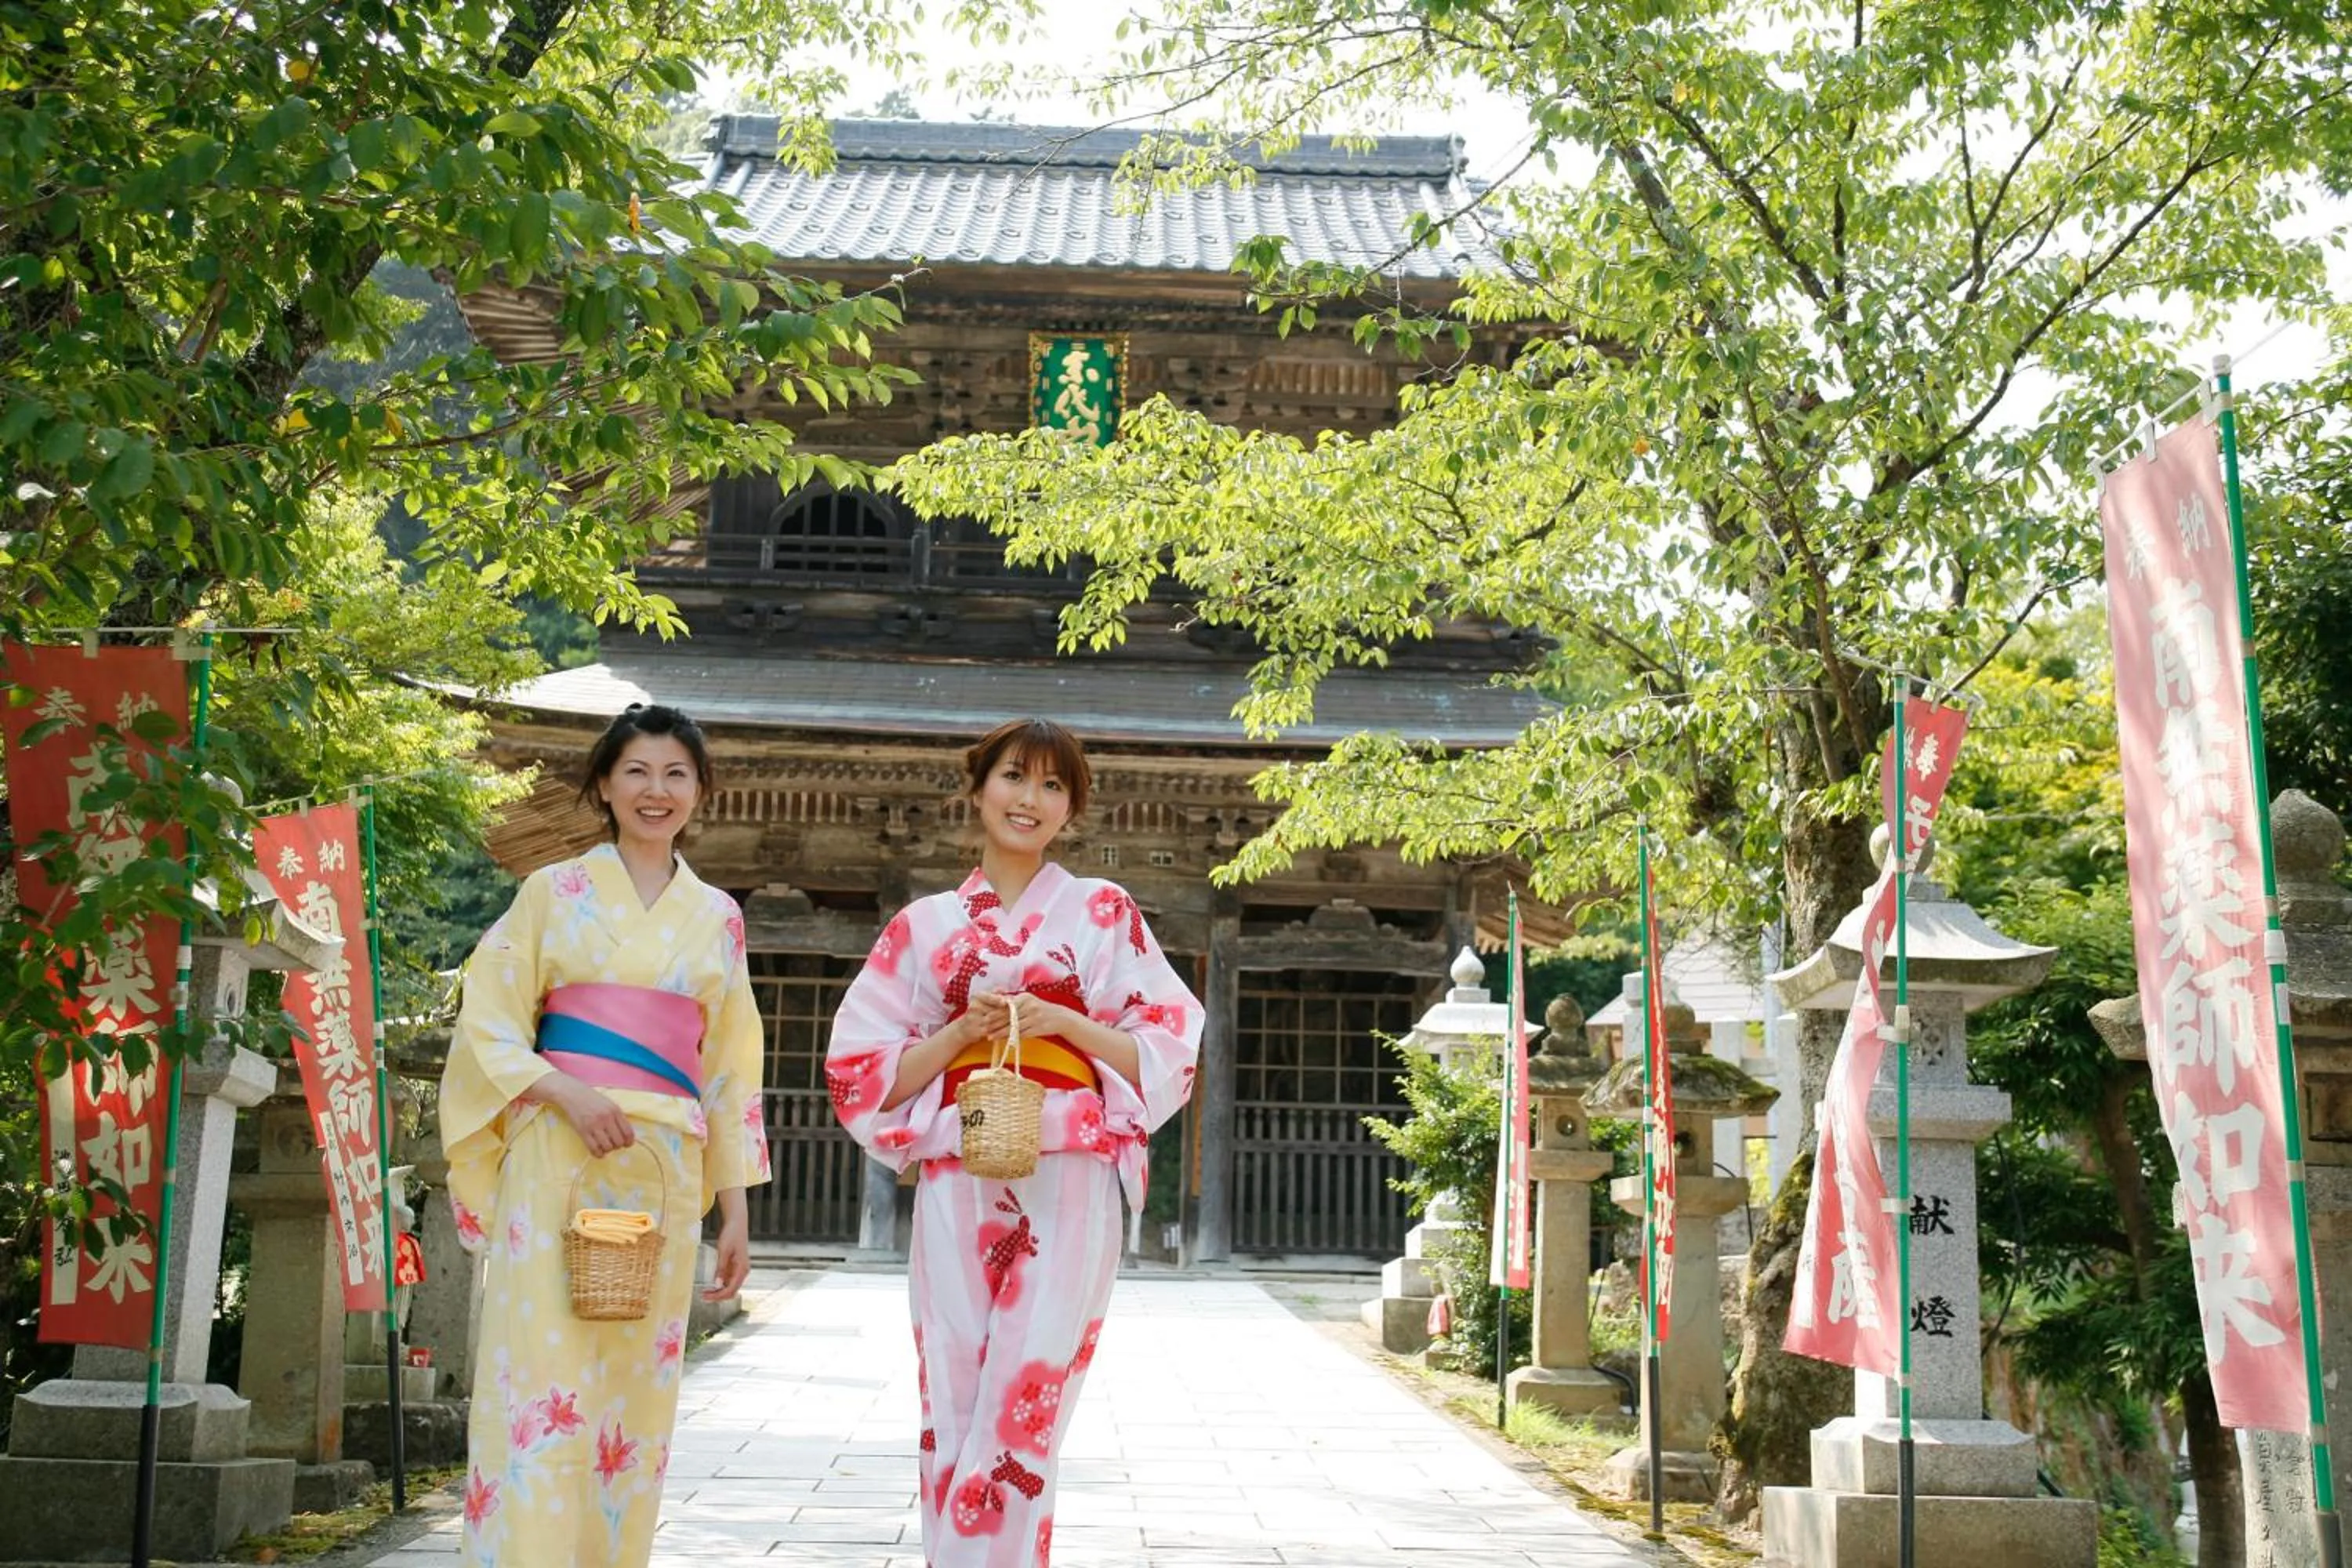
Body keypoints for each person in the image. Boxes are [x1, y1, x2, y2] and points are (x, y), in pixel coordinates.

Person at [828, 718, 1202, 1568]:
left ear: (1071, 808)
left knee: (1026, 1391)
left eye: (1051, 785)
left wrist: (1069, 1019)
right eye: (1012, 777)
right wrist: (961, 1030)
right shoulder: (923, 924)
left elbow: (1170, 1040)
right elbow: (862, 1068)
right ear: (977, 787)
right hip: (962, 1166)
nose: (1028, 799)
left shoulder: (1104, 910)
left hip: (1069, 1168)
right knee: (954, 1392)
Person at [438, 702, 771, 1568]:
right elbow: (491, 1020)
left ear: (701, 791)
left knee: (632, 1396)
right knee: (537, 1380)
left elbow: (730, 1066)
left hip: (663, 1167)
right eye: (636, 771)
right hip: (558, 1150)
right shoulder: (552, 893)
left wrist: (733, 1209)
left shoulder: (718, 916)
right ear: (602, 785)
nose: (655, 791)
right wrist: (566, 1090)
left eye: (675, 774)